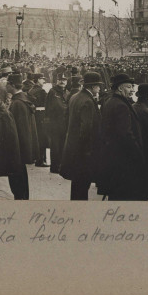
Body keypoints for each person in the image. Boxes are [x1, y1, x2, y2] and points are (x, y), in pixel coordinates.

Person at [95, 74, 146, 200]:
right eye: (129, 87)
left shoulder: (111, 101)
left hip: (113, 157)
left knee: (116, 194)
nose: (132, 90)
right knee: (124, 195)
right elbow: (125, 134)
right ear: (119, 88)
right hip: (123, 160)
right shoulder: (121, 106)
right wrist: (138, 152)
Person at [60, 71, 103, 200]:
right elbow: (86, 129)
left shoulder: (75, 96)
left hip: (74, 147)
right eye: (98, 86)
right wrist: (88, 151)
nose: (99, 88)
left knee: (77, 184)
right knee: (83, 185)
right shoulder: (88, 101)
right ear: (93, 87)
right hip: (84, 152)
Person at [6, 73, 39, 200]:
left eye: (8, 83)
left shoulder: (17, 103)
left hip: (16, 149)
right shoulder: (23, 98)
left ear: (12, 85)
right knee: (21, 179)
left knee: (17, 184)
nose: (6, 86)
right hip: (21, 149)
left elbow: (17, 129)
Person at [45, 72, 69, 174]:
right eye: (61, 80)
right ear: (57, 81)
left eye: (64, 80)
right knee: (55, 145)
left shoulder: (67, 92)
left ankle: (61, 165)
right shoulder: (52, 92)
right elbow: (49, 107)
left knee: (63, 144)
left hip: (64, 123)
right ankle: (55, 166)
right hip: (55, 123)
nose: (62, 82)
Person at [28, 73, 49, 167]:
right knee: (42, 138)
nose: (43, 81)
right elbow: (46, 104)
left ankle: (37, 158)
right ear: (37, 80)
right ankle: (41, 160)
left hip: (34, 115)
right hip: (41, 115)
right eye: (41, 79)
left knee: (36, 137)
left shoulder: (31, 90)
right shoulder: (41, 91)